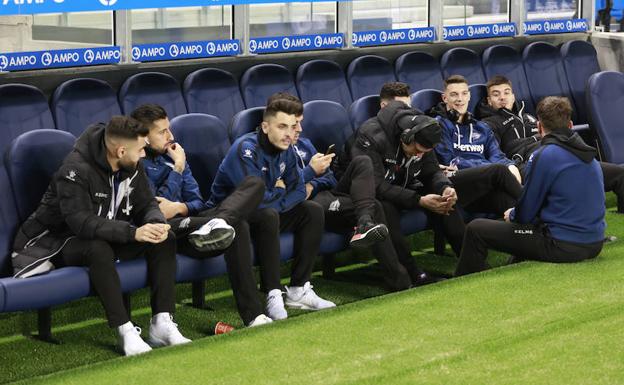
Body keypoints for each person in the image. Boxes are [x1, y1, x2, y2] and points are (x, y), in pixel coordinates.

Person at [11, 116, 190, 356]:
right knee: (97, 248)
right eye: (140, 150)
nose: (144, 155)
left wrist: (156, 223)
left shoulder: (131, 164)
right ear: (120, 150)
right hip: (56, 241)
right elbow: (81, 223)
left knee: (163, 239)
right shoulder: (74, 170)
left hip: (104, 233)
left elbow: (146, 203)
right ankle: (125, 330)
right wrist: (133, 232)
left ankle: (162, 323)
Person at [132, 104, 278, 328]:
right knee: (238, 225)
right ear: (144, 137)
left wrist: (180, 206)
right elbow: (157, 210)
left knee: (254, 184)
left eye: (169, 129)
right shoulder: (137, 163)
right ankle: (253, 316)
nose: (170, 136)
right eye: (162, 132)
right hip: (169, 232)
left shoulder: (175, 155)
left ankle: (221, 221)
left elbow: (198, 201)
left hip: (196, 223)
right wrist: (177, 170)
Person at [269, 93, 435, 290]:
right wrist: (309, 173)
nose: (299, 129)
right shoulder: (270, 152)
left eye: (299, 123)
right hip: (305, 208)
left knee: (363, 168)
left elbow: (330, 176)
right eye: (294, 124)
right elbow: (276, 190)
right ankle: (401, 280)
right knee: (375, 206)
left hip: (325, 193)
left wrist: (313, 184)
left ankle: (366, 225)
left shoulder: (305, 144)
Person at [209, 98, 336, 320]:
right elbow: (254, 198)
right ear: (265, 127)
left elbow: (298, 191)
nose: (289, 133)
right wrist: (280, 192)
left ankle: (298, 290)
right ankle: (273, 292)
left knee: (311, 211)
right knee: (268, 214)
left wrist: (278, 194)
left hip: (265, 212)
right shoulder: (245, 148)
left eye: (291, 126)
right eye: (281, 126)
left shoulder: (286, 148)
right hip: (228, 215)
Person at [455, 96, 605, 276]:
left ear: (540, 127)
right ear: (571, 125)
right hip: (595, 243)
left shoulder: (544, 155)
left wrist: (512, 213)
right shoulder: (590, 156)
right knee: (528, 229)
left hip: (563, 245)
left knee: (476, 228)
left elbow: (526, 213)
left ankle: (464, 281)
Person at [343, 86, 466, 260]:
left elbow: (432, 171)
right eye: (416, 150)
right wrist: (419, 200)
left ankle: (470, 261)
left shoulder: (423, 130)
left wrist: (444, 187)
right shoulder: (371, 135)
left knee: (444, 200)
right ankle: (412, 275)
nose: (419, 155)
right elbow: (376, 186)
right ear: (405, 137)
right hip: (371, 193)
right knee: (385, 208)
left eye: (424, 151)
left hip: (402, 186)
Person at [477, 75, 624, 215]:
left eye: (506, 92)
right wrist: (531, 144)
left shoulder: (528, 116)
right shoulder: (488, 124)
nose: (502, 97)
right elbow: (495, 153)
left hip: (562, 155)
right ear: (489, 101)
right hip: (527, 164)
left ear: (513, 96)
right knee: (566, 183)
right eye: (496, 94)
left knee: (619, 174)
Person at [425, 77, 523, 216]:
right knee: (499, 171)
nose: (460, 99)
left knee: (509, 203)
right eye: (454, 94)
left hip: (485, 183)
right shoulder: (438, 125)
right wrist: (488, 167)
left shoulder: (481, 127)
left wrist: (510, 166)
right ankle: (534, 203)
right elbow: (449, 161)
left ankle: (540, 228)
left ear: (469, 96)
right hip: (458, 183)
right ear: (445, 98)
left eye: (464, 93)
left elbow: (497, 155)